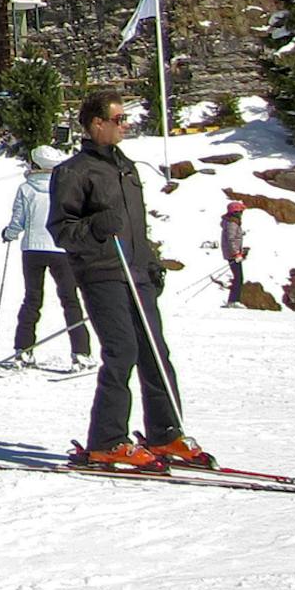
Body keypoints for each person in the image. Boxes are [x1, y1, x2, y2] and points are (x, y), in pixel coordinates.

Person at [49, 91, 206, 468]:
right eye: (118, 119)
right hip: (102, 273)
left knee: (155, 351)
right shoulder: (74, 171)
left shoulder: (127, 169)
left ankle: (165, 434)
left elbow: (136, 227)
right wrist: (95, 227)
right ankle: (106, 439)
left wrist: (149, 262)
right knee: (122, 352)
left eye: (125, 119)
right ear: (96, 124)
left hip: (135, 272)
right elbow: (62, 231)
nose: (125, 125)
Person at [2, 145, 93, 369]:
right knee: (70, 300)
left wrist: (9, 234)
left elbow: (18, 220)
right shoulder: (65, 188)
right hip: (61, 249)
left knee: (32, 299)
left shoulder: (26, 188)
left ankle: (23, 350)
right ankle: (80, 352)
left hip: (32, 250)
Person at [221, 201, 247, 306]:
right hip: (233, 255)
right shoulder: (232, 223)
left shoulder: (232, 222)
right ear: (236, 212)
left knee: (238, 277)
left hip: (233, 253)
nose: (242, 213)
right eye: (241, 211)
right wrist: (236, 253)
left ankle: (233, 300)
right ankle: (233, 301)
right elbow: (231, 239)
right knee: (238, 278)